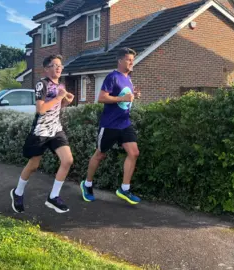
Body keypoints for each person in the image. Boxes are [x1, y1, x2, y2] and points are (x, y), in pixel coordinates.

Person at [10, 54, 74, 214]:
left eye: (60, 65)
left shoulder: (61, 85)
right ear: (46, 69)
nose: (59, 68)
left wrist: (65, 101)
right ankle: (17, 193)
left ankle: (53, 197)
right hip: (41, 131)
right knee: (33, 165)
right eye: (54, 65)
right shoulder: (42, 84)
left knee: (68, 160)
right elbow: (41, 109)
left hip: (56, 129)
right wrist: (59, 97)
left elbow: (57, 107)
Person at [80, 47, 141, 205]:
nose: (131, 62)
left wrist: (134, 95)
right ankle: (87, 185)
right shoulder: (112, 77)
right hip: (110, 124)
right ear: (120, 60)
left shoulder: (128, 78)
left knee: (134, 153)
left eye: (132, 60)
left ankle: (124, 189)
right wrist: (122, 99)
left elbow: (125, 94)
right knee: (100, 155)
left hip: (124, 123)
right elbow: (101, 98)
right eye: (128, 59)